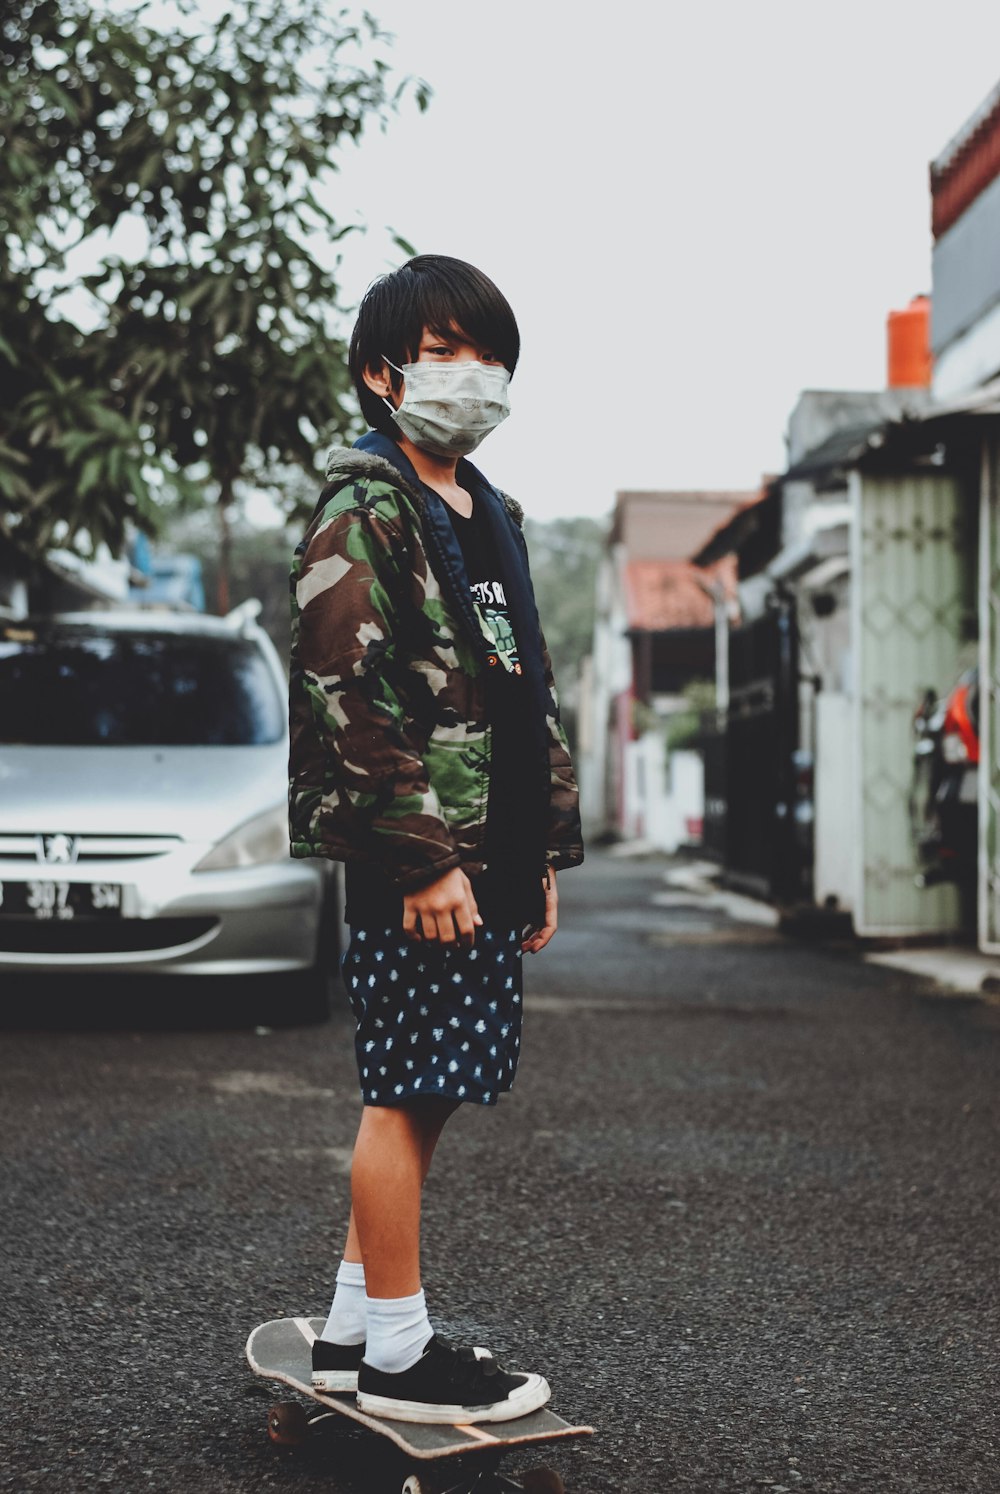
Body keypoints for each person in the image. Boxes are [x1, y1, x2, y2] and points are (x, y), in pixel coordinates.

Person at [288, 254, 584, 1425]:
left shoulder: (490, 512)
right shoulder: (363, 506)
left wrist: (539, 853)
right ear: (382, 371)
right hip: (421, 859)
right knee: (405, 1093)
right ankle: (402, 1357)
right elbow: (344, 693)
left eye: (487, 352)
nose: (472, 374)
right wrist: (423, 857)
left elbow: (525, 696)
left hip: (487, 854)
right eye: (445, 349)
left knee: (437, 1087)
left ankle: (356, 1330)